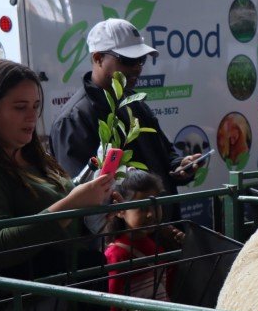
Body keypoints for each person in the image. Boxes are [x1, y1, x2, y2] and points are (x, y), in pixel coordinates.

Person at [50, 18, 201, 206]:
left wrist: (180, 166)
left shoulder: (134, 103)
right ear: (98, 59)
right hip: (123, 233)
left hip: (158, 226)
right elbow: (80, 197)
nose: (137, 68)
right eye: (128, 60)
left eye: (141, 59)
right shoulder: (74, 119)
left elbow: (164, 154)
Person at [0, 60, 115, 277]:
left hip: (72, 294)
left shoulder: (39, 158)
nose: (32, 116)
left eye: (36, 105)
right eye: (20, 107)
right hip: (31, 304)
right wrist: (72, 204)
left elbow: (65, 230)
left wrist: (97, 212)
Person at [103, 169, 172, 311]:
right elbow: (114, 305)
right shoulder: (117, 255)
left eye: (155, 205)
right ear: (119, 210)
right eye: (141, 208)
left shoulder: (156, 246)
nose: (151, 214)